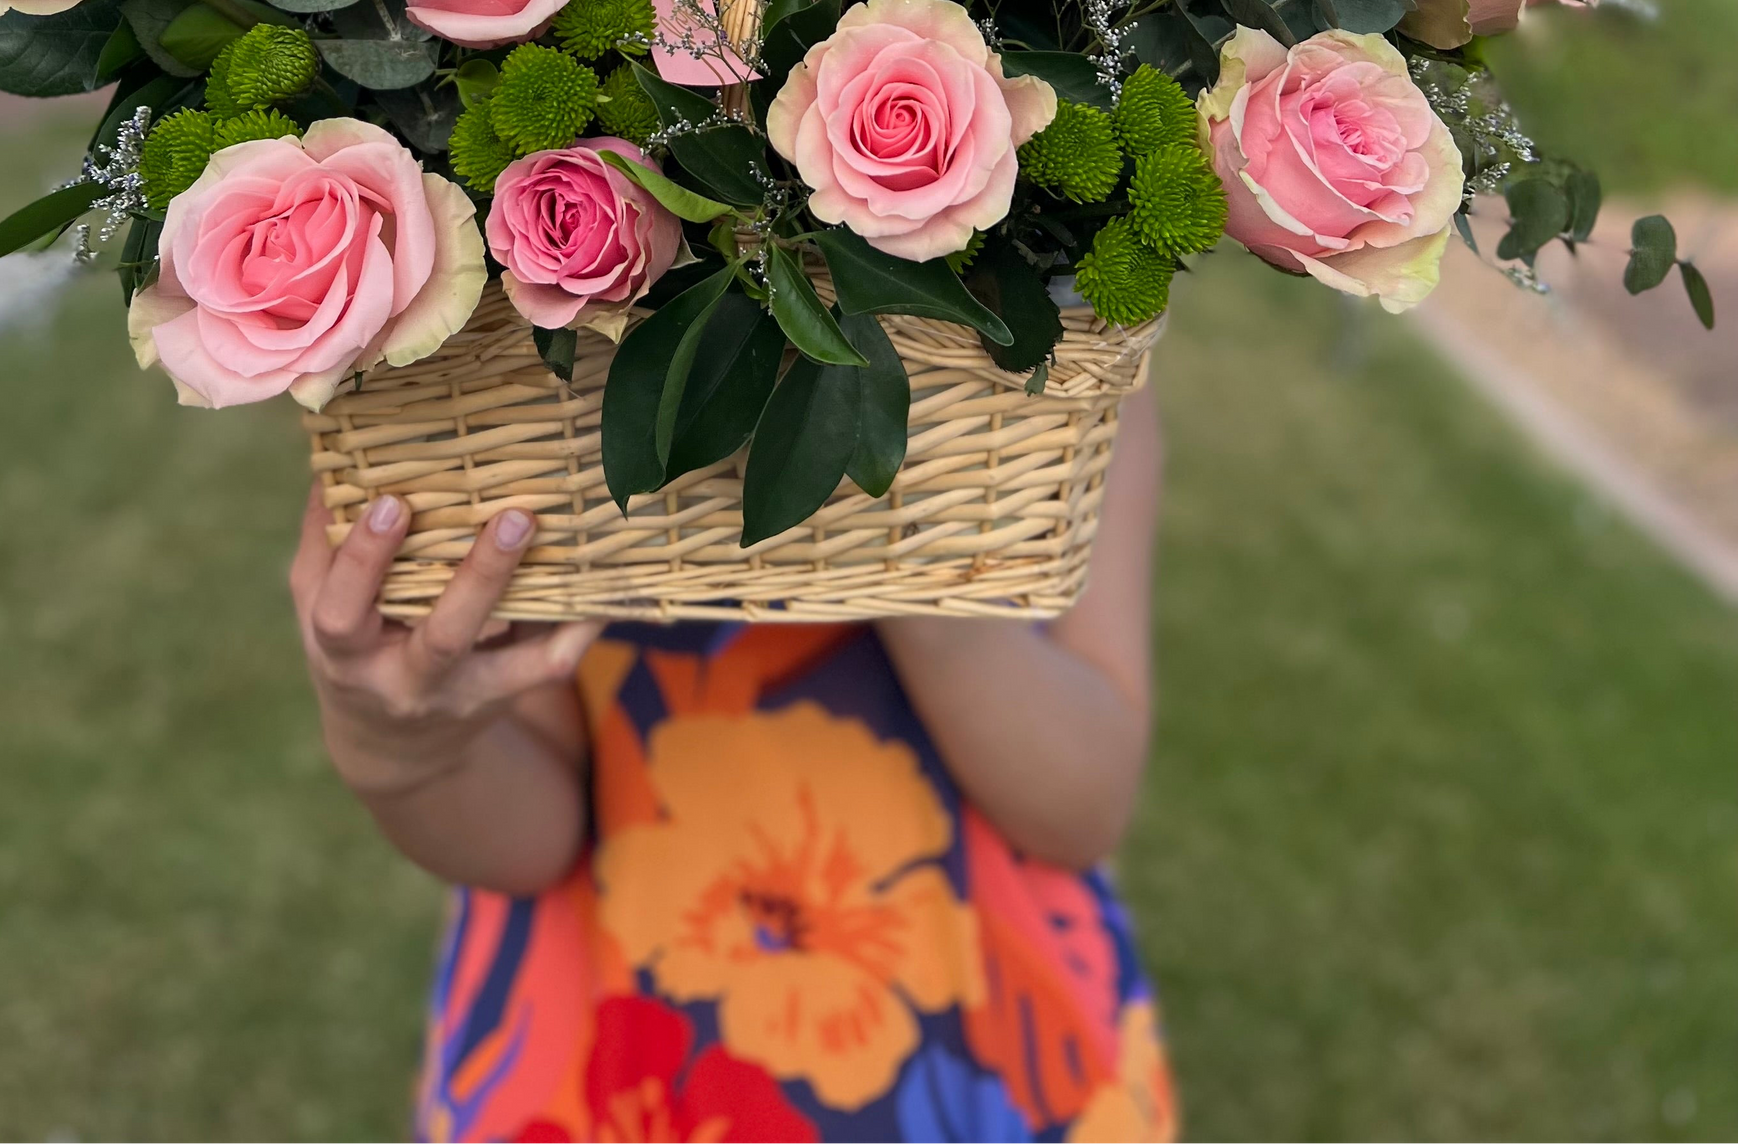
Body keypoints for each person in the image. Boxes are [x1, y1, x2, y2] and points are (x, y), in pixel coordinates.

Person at [290, 389, 1178, 1142]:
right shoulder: (507, 385)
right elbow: (531, 839)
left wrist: (905, 543)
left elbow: (1082, 804)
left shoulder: (1062, 353)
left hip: (985, 1043)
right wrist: (394, 745)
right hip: (609, 1043)